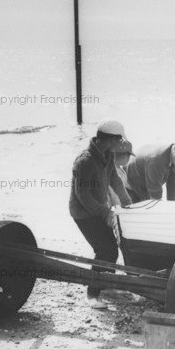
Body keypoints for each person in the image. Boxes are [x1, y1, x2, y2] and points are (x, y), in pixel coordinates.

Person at [69, 121, 132, 300]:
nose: (120, 142)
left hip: (98, 208)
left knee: (112, 249)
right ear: (111, 140)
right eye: (118, 139)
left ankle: (107, 287)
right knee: (105, 250)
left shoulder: (108, 155)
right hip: (83, 213)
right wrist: (105, 212)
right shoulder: (85, 161)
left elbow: (114, 179)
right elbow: (83, 195)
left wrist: (127, 202)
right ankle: (93, 292)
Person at [125, 138, 175, 202]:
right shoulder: (157, 160)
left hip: (147, 182)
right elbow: (155, 192)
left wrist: (171, 206)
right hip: (131, 183)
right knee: (146, 210)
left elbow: (172, 185)